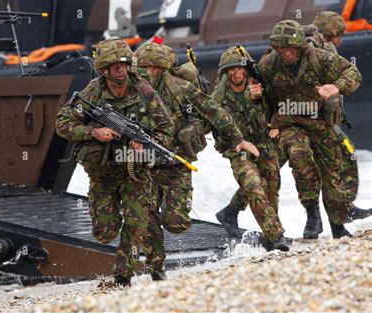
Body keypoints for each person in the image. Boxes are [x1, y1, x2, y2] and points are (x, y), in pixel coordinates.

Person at [134, 42, 261, 278]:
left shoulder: (181, 89)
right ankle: (156, 269)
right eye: (144, 67)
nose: (149, 72)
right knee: (147, 220)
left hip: (176, 164)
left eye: (154, 68)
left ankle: (162, 215)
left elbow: (215, 112)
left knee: (176, 222)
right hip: (145, 166)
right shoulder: (131, 91)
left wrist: (237, 138)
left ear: (162, 68)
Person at [56, 38, 174, 287]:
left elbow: (166, 127)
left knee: (137, 225)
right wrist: (93, 133)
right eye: (114, 66)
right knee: (104, 232)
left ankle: (123, 276)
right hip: (103, 173)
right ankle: (118, 237)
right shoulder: (92, 92)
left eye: (123, 64)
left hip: (136, 173)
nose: (119, 70)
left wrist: (147, 143)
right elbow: (62, 124)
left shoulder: (144, 91)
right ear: (104, 69)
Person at [259, 20, 362, 239]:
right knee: (300, 158)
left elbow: (353, 74)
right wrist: (264, 114)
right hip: (290, 122)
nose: (287, 53)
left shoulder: (320, 58)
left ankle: (337, 225)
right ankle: (312, 214)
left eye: (291, 48)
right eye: (282, 48)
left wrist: (336, 86)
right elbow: (263, 99)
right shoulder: (268, 65)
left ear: (300, 47)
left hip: (320, 123)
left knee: (332, 174)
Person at [211, 46, 289, 251]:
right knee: (253, 185)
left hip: (265, 145)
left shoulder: (260, 86)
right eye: (231, 70)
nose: (235, 74)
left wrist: (261, 105)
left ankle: (239, 217)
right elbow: (210, 119)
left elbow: (279, 107)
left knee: (271, 191)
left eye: (239, 69)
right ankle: (276, 235)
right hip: (238, 149)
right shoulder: (219, 97)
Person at [312, 11, 372, 222]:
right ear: (329, 34)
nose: (341, 40)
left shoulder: (325, 52)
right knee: (271, 166)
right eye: (338, 35)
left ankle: (345, 208)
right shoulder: (314, 53)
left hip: (322, 121)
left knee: (345, 154)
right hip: (302, 122)